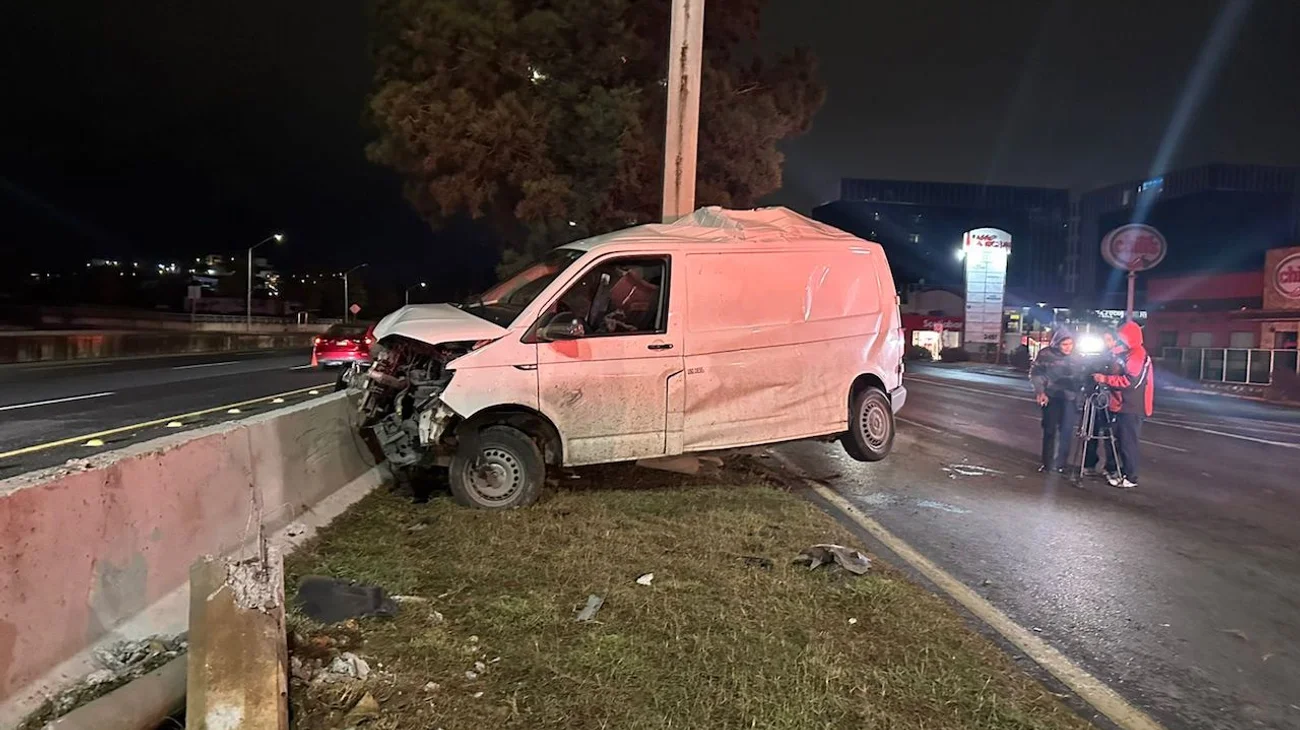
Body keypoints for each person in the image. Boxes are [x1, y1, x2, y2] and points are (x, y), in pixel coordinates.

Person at [1093, 321, 1154, 489]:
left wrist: (1104, 379)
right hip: (1121, 404)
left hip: (1131, 406)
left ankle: (1130, 476)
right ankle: (1116, 470)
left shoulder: (1137, 355)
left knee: (1128, 443)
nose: (1120, 340)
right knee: (1117, 441)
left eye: (1122, 337)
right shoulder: (1128, 353)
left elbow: (1130, 381)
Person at [1029, 329, 1081, 473]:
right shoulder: (1046, 355)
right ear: (1057, 344)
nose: (1068, 347)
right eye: (1064, 344)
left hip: (1069, 398)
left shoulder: (1077, 357)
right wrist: (1040, 391)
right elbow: (1036, 373)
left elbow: (1082, 376)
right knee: (1049, 430)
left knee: (1066, 431)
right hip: (1051, 397)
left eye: (1070, 344)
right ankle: (1047, 463)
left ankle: (1061, 464)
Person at [1082, 329, 1120, 478]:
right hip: (1094, 398)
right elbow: (1086, 375)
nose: (1106, 343)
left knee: (1111, 435)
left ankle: (1111, 467)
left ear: (1115, 341)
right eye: (1103, 339)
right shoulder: (1095, 358)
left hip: (1111, 400)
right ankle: (1089, 463)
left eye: (1109, 339)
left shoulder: (1118, 358)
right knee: (1091, 432)